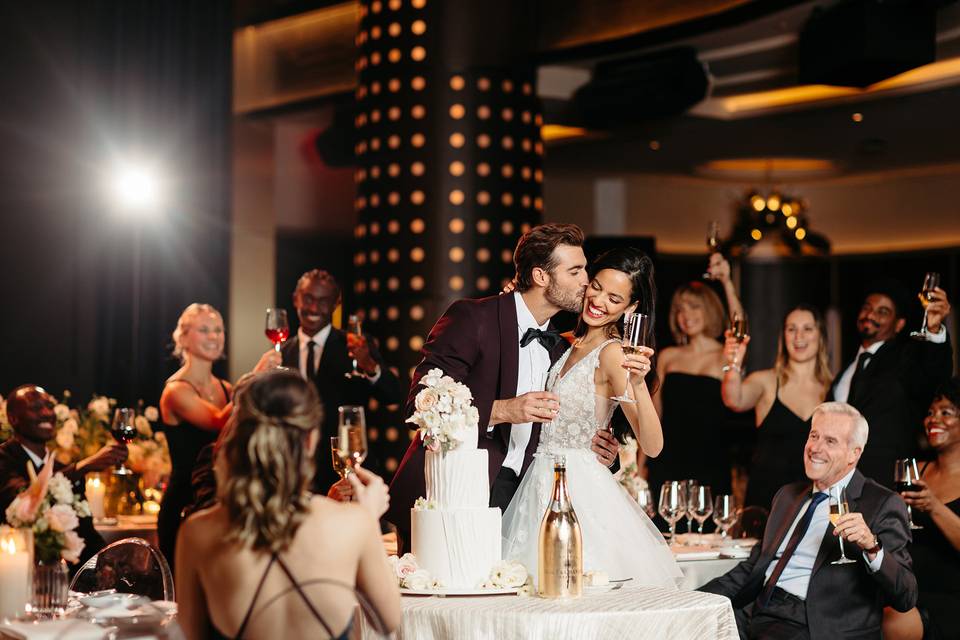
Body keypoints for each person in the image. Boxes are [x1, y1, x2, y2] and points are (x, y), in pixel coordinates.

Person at [385, 223, 619, 547]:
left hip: (523, 499)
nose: (586, 282)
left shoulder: (560, 347)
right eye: (576, 272)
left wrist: (600, 450)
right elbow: (421, 402)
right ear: (541, 276)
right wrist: (503, 409)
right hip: (454, 489)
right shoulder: (473, 317)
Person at [502, 247, 682, 586]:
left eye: (614, 298)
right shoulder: (568, 344)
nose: (598, 301)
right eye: (596, 287)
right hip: (538, 482)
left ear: (631, 308)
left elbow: (654, 446)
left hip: (581, 491)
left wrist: (639, 385)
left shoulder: (613, 353)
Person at [176, 369, 400, 640]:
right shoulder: (352, 523)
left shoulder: (197, 532)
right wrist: (368, 521)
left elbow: (188, 635)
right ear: (310, 441)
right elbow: (389, 620)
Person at [700, 402, 917, 640]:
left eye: (830, 441)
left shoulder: (881, 504)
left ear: (854, 454)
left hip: (812, 623)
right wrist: (694, 600)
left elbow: (906, 595)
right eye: (814, 436)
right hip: (758, 609)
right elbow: (754, 566)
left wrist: (872, 547)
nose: (815, 448)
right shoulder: (788, 496)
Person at [158, 303, 279, 569]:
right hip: (185, 504)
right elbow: (217, 421)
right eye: (204, 330)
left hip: (220, 500)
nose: (214, 336)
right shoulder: (175, 390)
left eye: (218, 330)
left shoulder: (226, 388)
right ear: (183, 337)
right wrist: (255, 376)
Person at [281, 269, 403, 494]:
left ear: (336, 303)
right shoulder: (282, 352)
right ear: (296, 298)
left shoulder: (355, 345)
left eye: (323, 301)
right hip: (295, 475)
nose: (314, 308)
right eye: (308, 298)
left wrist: (369, 366)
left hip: (346, 473)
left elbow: (393, 394)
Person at [829, 280, 952, 486]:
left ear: (899, 324)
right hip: (839, 482)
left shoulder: (906, 359)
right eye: (867, 308)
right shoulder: (845, 371)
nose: (871, 314)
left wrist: (934, 328)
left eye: (883, 311)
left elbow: (935, 375)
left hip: (886, 483)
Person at [647, 254, 745, 502]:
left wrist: (727, 282)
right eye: (680, 309)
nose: (686, 315)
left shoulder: (725, 355)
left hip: (711, 464)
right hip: (667, 464)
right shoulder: (668, 356)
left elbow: (740, 329)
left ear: (709, 310)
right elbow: (653, 416)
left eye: (694, 306)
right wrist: (640, 464)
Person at [0, 384, 127, 568]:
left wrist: (107, 563)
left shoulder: (62, 468)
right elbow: (24, 499)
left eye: (49, 406)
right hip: (16, 572)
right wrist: (84, 466)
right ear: (13, 419)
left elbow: (85, 532)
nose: (46, 413)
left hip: (65, 579)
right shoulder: (5, 459)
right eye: (35, 408)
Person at [722, 304, 832, 510]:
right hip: (767, 501)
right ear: (783, 337)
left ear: (821, 336)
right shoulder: (766, 381)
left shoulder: (833, 387)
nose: (799, 336)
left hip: (815, 503)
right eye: (791, 329)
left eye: (807, 328)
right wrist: (734, 363)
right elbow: (733, 399)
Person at [883, 377, 960, 640]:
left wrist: (934, 507)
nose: (933, 419)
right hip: (906, 591)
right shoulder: (917, 471)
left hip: (948, 599)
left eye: (945, 413)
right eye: (929, 413)